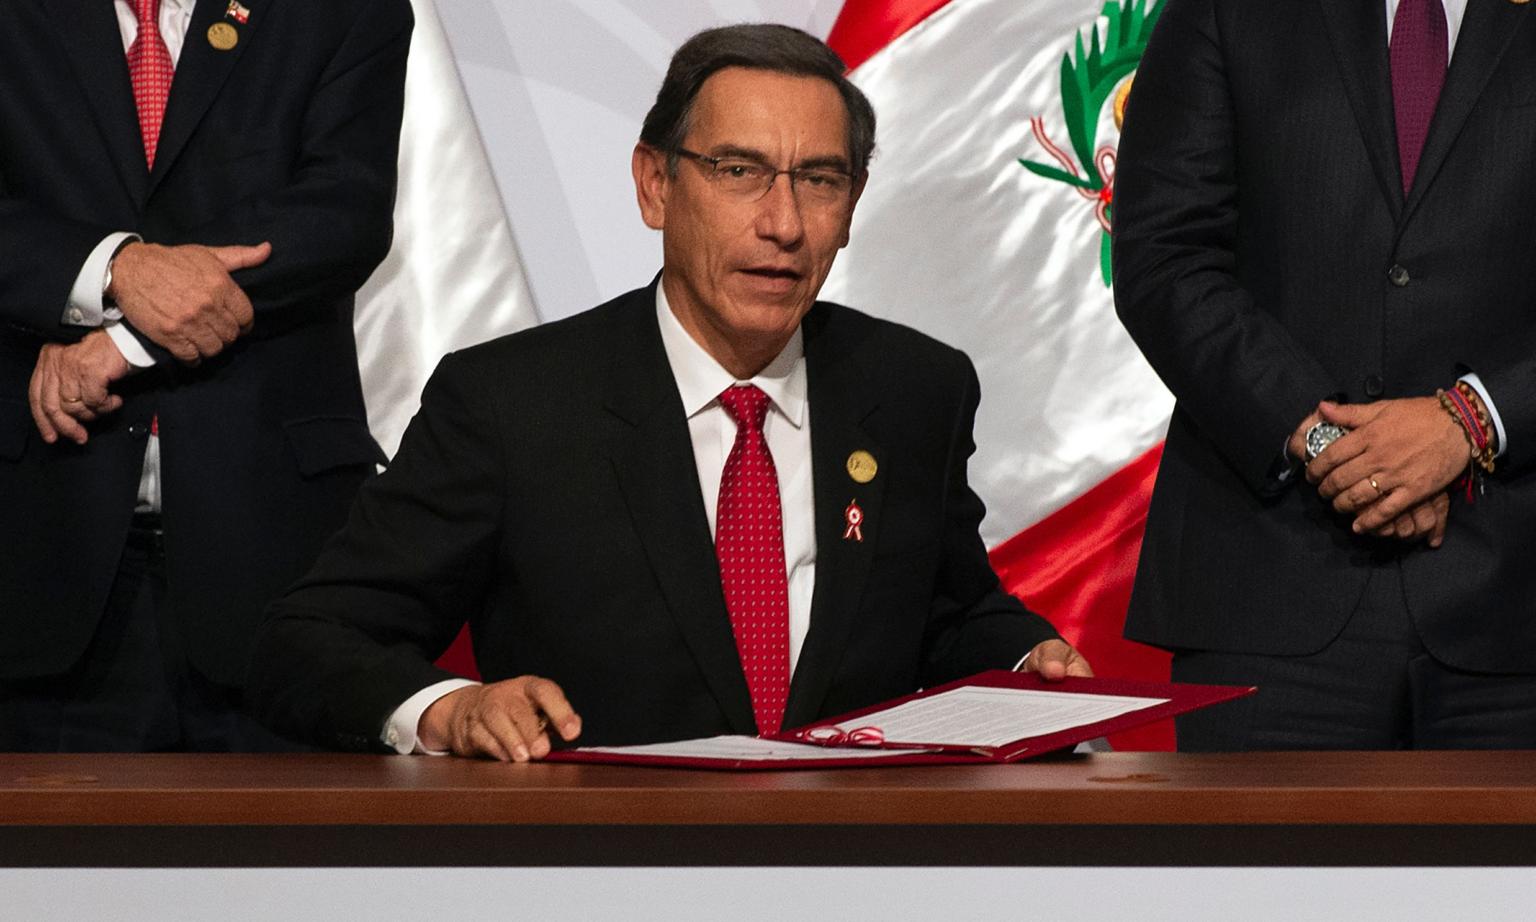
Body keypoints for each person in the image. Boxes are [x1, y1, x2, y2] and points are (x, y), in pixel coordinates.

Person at [248, 23, 1091, 760]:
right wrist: (451, 709)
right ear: (655, 184)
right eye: (739, 170)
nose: (783, 223)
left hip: (851, 850)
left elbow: (945, 610)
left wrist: (1028, 660)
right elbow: (311, 641)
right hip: (606, 855)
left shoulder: (914, 389)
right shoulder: (513, 402)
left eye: (819, 180)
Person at [1113, 0, 1536, 749]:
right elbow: (1165, 259)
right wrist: (1330, 447)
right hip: (1270, 588)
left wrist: (1472, 421)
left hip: (1516, 594)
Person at [0, 0, 412, 751]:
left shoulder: (345, 11)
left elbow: (342, 215)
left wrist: (123, 342)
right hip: (41, 548)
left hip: (275, 566)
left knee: (293, 832)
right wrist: (112, 270)